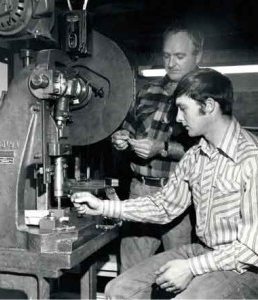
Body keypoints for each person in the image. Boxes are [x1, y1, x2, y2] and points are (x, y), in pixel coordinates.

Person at [72, 68, 258, 299]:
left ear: (209, 106)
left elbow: (251, 249)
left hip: (245, 267)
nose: (178, 118)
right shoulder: (195, 156)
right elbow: (165, 206)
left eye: (183, 108)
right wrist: (104, 207)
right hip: (203, 251)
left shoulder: (252, 158)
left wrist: (191, 267)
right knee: (118, 290)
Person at [111, 23, 204, 273]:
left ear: (198, 56)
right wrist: (120, 139)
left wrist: (162, 148)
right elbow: (127, 128)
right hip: (140, 190)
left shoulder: (206, 93)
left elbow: (209, 150)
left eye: (180, 56)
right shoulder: (147, 91)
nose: (171, 63)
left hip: (181, 195)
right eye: (166, 55)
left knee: (180, 277)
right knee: (130, 276)